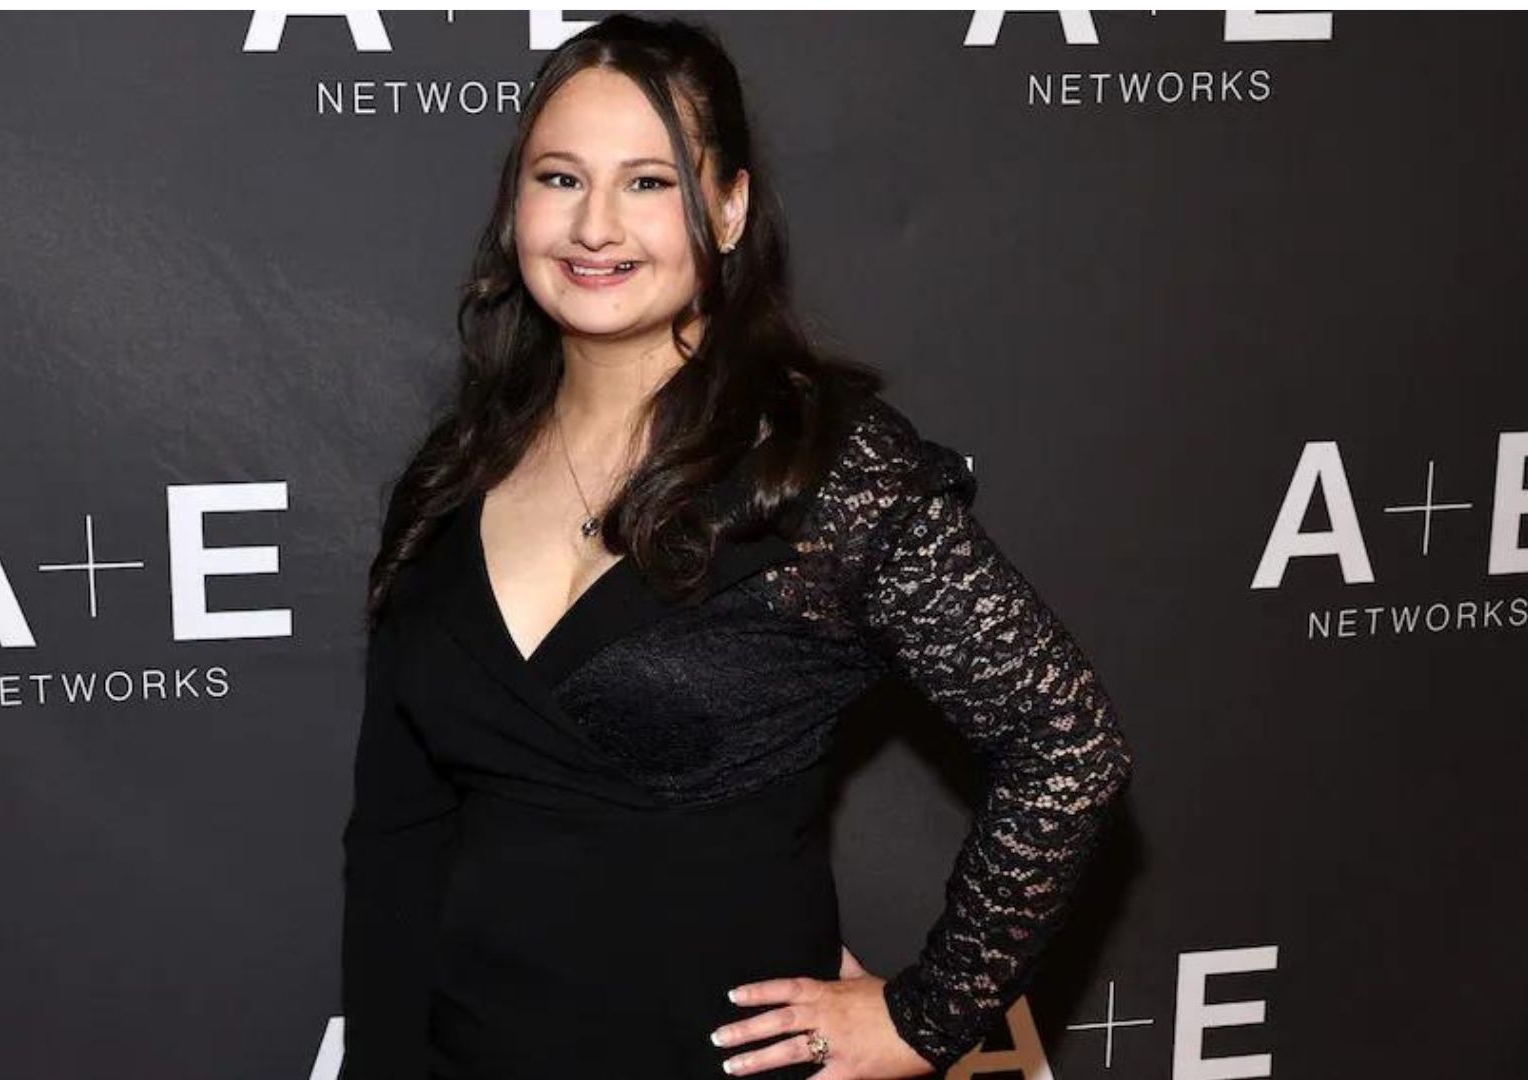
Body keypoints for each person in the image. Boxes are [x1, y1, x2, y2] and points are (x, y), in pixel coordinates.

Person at [341, 14, 1134, 1080]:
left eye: (651, 182)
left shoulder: (823, 471)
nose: (595, 225)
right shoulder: (457, 470)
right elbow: (398, 832)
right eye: (560, 178)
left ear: (728, 207)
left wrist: (926, 1016)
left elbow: (1066, 740)